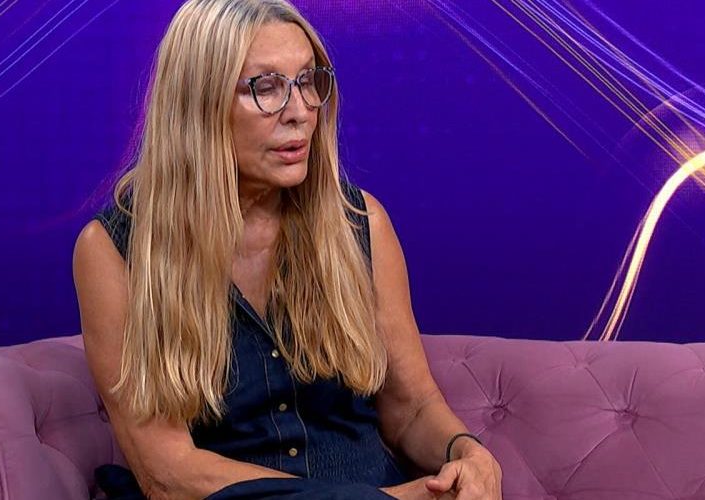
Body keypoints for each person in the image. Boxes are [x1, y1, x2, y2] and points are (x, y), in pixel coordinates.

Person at [71, 0, 503, 498]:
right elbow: (168, 473)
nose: (300, 112)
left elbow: (412, 407)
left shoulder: (361, 223)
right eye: (266, 87)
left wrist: (466, 453)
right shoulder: (113, 252)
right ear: (199, 102)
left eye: (308, 81)